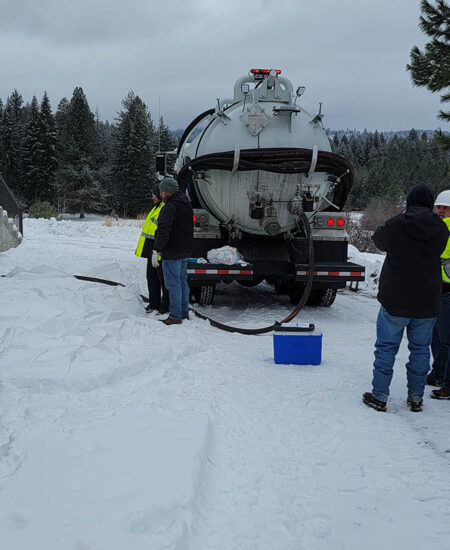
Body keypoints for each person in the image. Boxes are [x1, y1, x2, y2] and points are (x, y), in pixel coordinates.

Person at [363, 183, 449, 412]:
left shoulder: (397, 223)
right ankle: (416, 398)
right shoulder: (441, 228)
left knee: (386, 348)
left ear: (409, 200)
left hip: (395, 298)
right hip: (427, 300)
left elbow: (378, 240)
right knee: (420, 350)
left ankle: (379, 396)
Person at [153, 177, 193, 325]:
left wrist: (156, 250)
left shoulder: (169, 207)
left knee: (173, 284)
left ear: (166, 192)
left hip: (172, 251)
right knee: (182, 282)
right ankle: (183, 313)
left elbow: (163, 231)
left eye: (162, 191)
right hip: (184, 251)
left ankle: (175, 316)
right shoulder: (186, 204)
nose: (160, 194)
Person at [427, 190, 450, 399]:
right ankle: (438, 373)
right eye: (438, 207)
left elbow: (440, 253)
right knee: (437, 336)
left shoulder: (445, 228)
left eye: (445, 208)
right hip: (438, 289)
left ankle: (446, 382)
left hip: (447, 290)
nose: (441, 211)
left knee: (445, 339)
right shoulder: (438, 227)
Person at [135, 186, 169, 314]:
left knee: (163, 280)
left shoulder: (164, 208)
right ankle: (154, 304)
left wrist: (158, 249)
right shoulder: (156, 208)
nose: (152, 198)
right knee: (152, 278)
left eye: (154, 195)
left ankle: (165, 307)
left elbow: (163, 231)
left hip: (159, 250)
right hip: (152, 249)